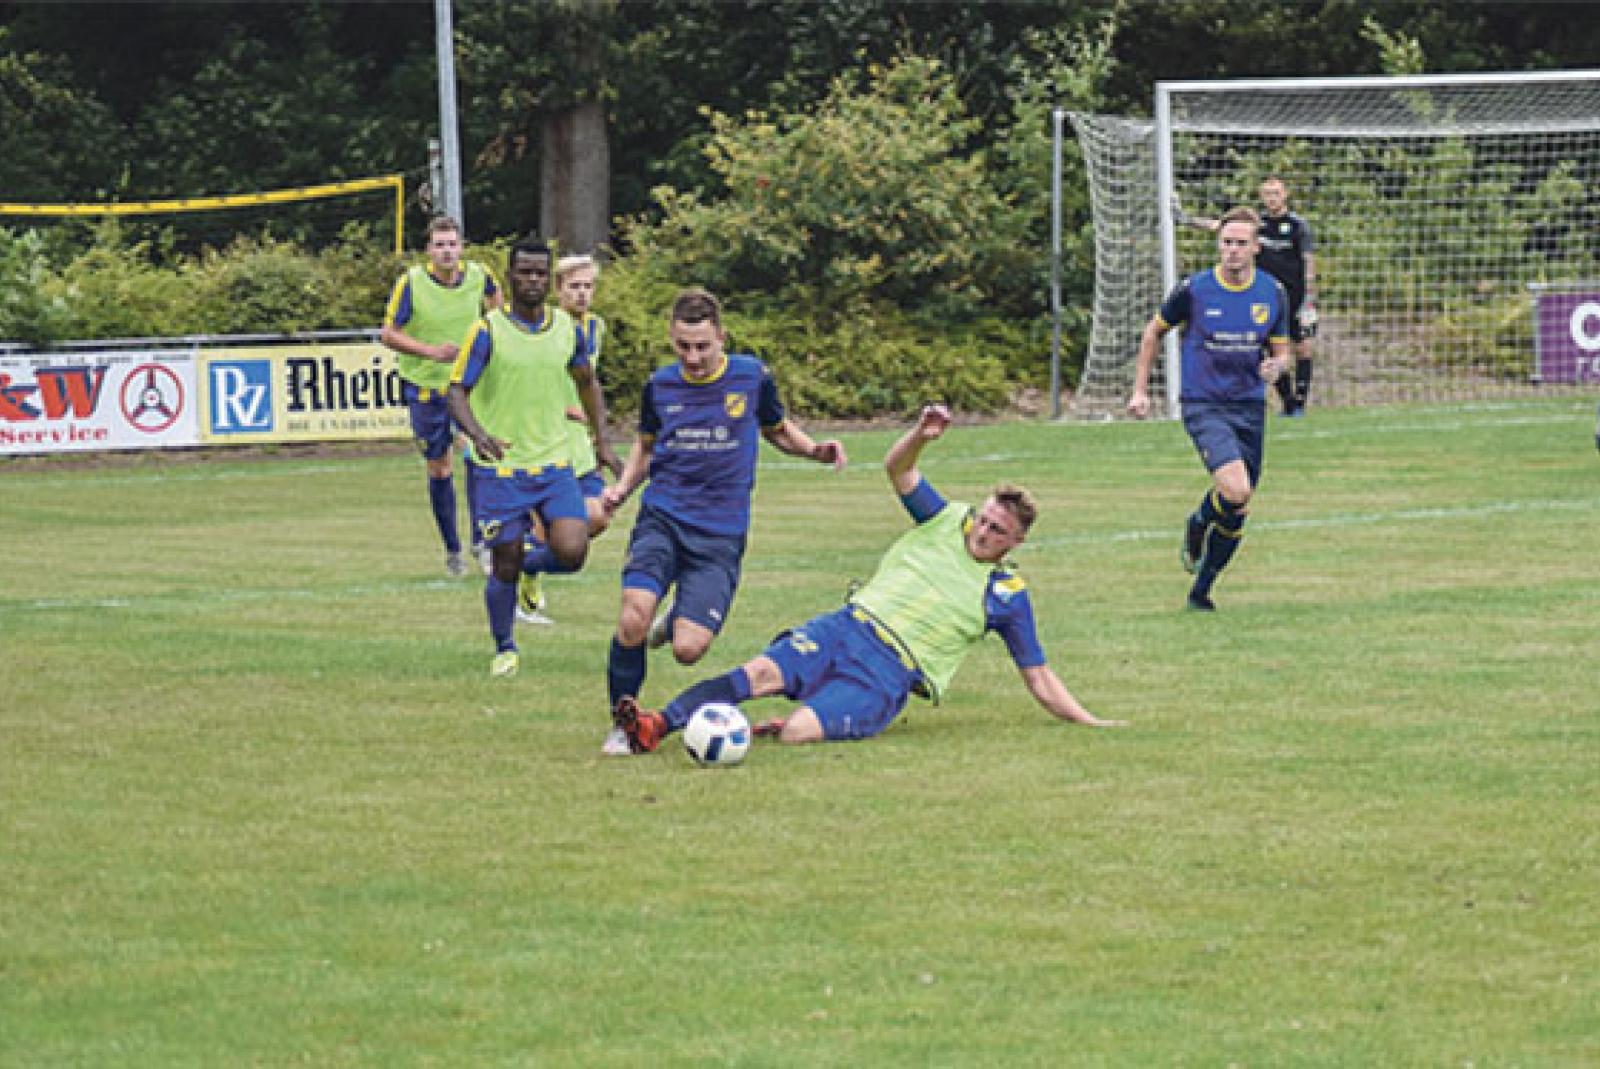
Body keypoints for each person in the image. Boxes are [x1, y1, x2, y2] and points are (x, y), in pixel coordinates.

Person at [611, 403, 1127, 753]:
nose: (983, 532)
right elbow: (898, 470)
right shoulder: (945, 518)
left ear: (1016, 542)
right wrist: (919, 437)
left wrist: (1090, 721)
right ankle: (657, 724)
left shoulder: (1007, 596)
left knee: (796, 734)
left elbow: (1038, 676)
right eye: (984, 519)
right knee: (759, 673)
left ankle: (778, 723)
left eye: (997, 531)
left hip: (887, 674)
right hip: (846, 627)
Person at [599, 287, 846, 753]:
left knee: (688, 649)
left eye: (702, 346)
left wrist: (815, 450)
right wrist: (621, 489)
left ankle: (677, 617)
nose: (692, 358)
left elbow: (777, 429)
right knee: (632, 618)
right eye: (682, 346)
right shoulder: (660, 386)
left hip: (720, 533)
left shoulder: (752, 377)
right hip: (663, 517)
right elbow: (646, 448)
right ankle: (623, 723)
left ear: (721, 338)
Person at [447, 236, 622, 678]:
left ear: (548, 279)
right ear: (510, 276)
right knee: (504, 558)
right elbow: (456, 390)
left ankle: (529, 570)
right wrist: (477, 434)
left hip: (554, 463)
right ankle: (505, 647)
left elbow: (587, 382)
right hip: (501, 468)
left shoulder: (566, 329)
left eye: (539, 273)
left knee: (572, 550)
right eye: (524, 272)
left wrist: (602, 441)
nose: (532, 280)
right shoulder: (487, 331)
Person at [1127, 205, 1290, 613]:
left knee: (1239, 505)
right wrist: (1140, 391)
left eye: (1240, 243)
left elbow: (1282, 350)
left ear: (1255, 248)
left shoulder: (1272, 292)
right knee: (1236, 489)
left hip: (1249, 406)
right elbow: (1153, 332)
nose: (1232, 250)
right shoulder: (1195, 289)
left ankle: (1201, 590)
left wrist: (1277, 367)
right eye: (1226, 242)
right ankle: (1198, 522)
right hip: (1204, 403)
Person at [379, 215, 501, 576]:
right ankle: (453, 549)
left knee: (478, 455)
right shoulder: (412, 283)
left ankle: (482, 541)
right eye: (440, 245)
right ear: (429, 250)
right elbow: (388, 333)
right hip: (425, 387)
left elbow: (498, 310)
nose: (447, 251)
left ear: (462, 247)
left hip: (467, 387)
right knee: (440, 467)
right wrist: (431, 352)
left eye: (452, 244)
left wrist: (489, 346)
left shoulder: (480, 276)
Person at [515, 252, 612, 626]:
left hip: (580, 441)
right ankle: (524, 592)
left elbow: (588, 382)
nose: (582, 293)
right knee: (556, 520)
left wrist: (595, 427)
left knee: (598, 517)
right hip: (549, 438)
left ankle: (526, 565)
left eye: (588, 286)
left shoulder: (596, 327)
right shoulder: (543, 327)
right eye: (574, 286)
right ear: (558, 289)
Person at [1176, 177, 1317, 415]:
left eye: (1276, 193)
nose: (1272, 198)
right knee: (1269, 349)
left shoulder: (1297, 226)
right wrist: (1186, 219)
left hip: (1295, 297)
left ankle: (1301, 400)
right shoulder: (1255, 227)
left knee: (1302, 347)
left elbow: (1308, 260)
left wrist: (1309, 298)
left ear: (1285, 195)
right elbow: (1218, 226)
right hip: (1264, 298)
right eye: (1267, 194)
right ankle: (1288, 401)